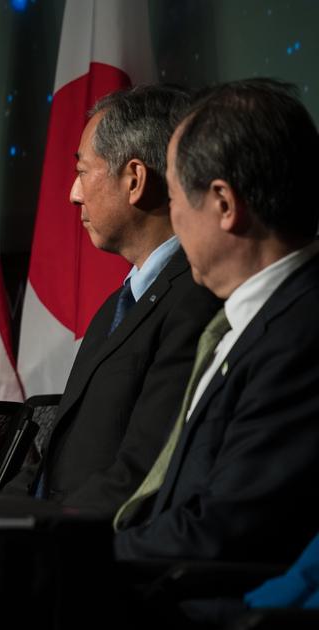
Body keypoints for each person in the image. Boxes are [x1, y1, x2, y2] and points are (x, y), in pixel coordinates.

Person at [114, 79, 319, 562]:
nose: (173, 217)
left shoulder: (300, 337)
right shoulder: (253, 320)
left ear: (224, 204)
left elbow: (225, 532)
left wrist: (73, 560)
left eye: (177, 197)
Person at [3, 86, 221, 514]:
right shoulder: (116, 307)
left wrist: (37, 529)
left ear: (135, 180)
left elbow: (144, 473)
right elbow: (57, 456)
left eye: (83, 171)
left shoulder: (197, 302)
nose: (73, 193)